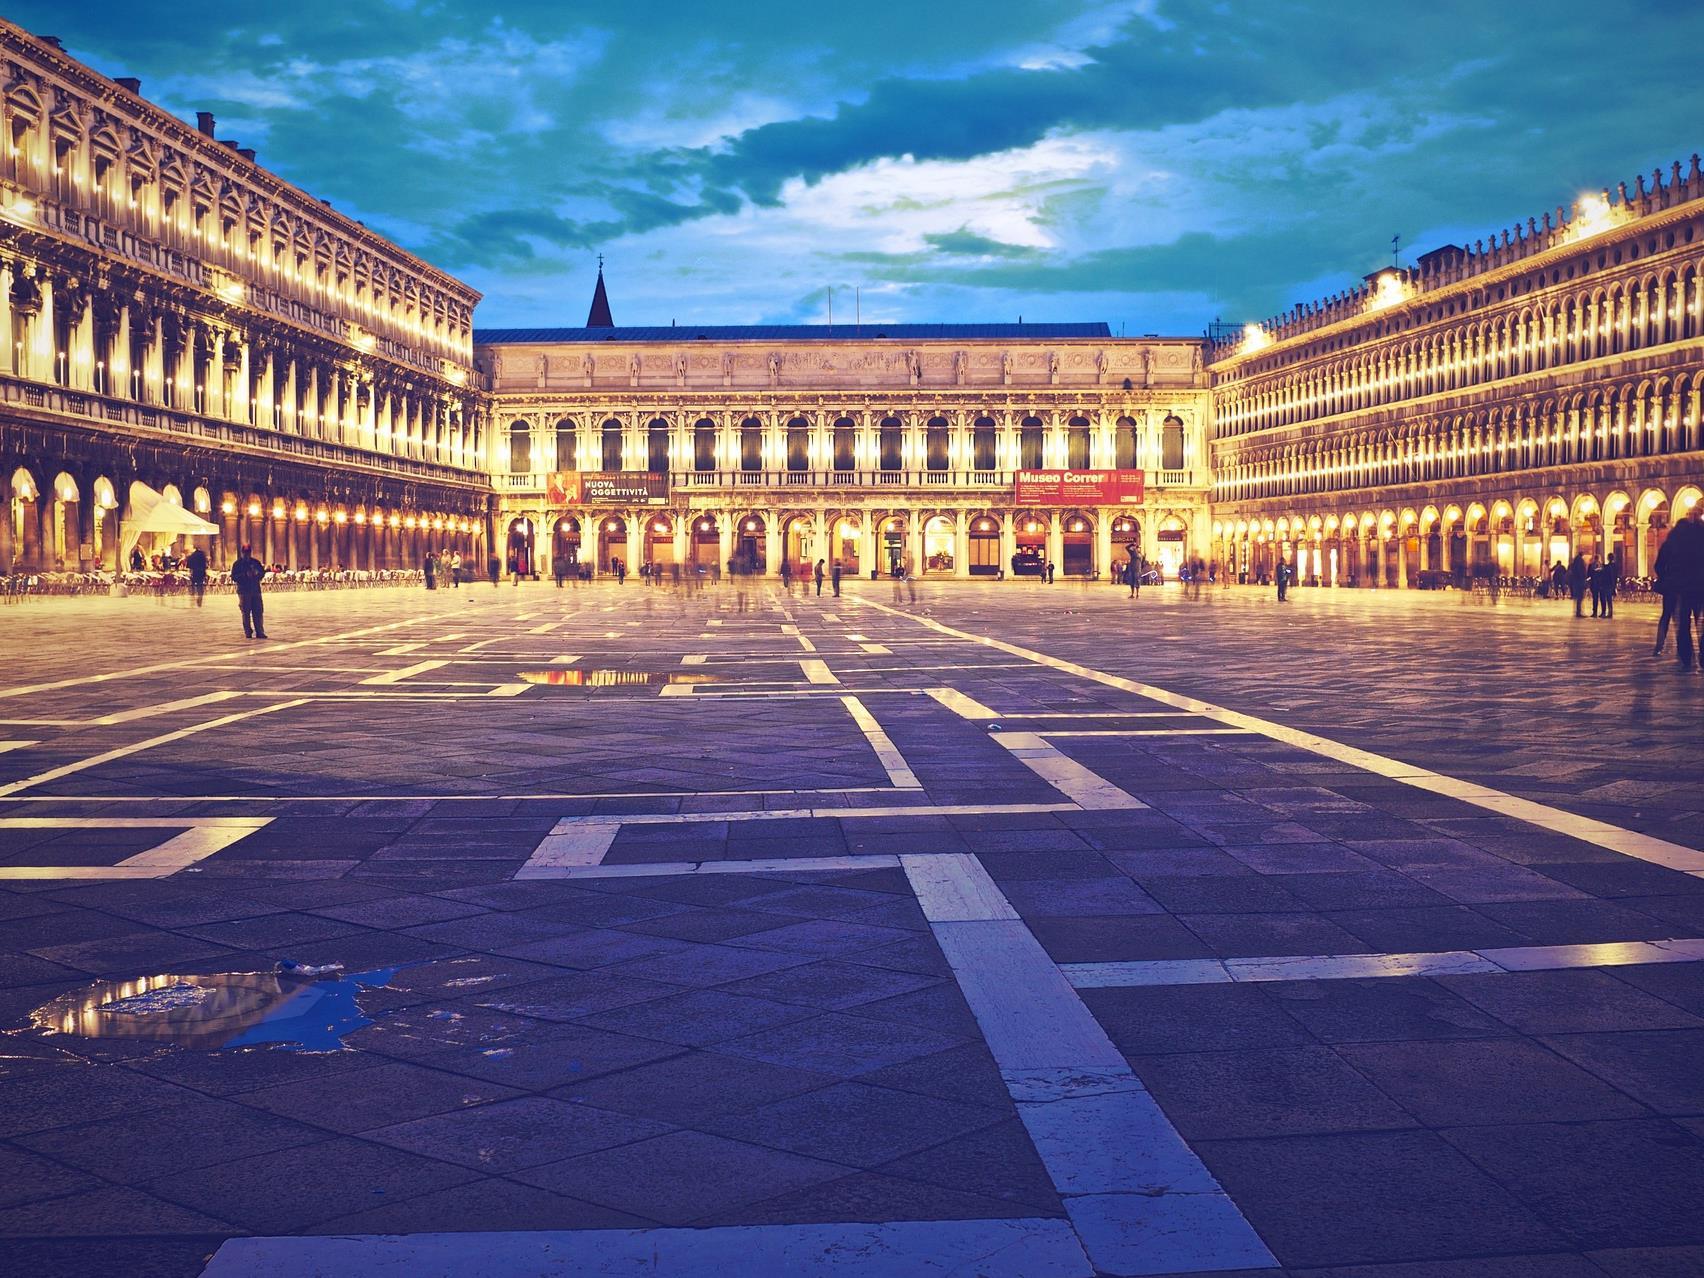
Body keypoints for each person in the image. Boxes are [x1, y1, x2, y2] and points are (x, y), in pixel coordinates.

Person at [1664, 501, 1704, 671]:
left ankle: (1686, 656)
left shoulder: (1675, 538)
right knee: (1701, 621)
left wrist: (1670, 577)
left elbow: (1660, 563)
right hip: (1701, 586)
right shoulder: (1701, 536)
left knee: (1683, 623)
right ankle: (1703, 654)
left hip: (1681, 588)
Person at [230, 543, 268, 639]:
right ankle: (248, 632)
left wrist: (257, 574)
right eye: (245, 552)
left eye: (248, 552)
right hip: (244, 591)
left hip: (255, 590)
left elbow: (262, 573)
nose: (246, 554)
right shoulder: (237, 564)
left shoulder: (255, 562)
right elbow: (234, 577)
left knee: (258, 611)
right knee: (246, 612)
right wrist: (245, 575)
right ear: (242, 552)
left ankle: (260, 631)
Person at [1568, 552, 1588, 617]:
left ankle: (1578, 611)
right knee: (1580, 597)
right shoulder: (1580, 562)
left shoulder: (1574, 564)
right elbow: (1581, 572)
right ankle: (1579, 612)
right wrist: (1583, 579)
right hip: (1580, 582)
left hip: (1575, 582)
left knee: (1578, 598)